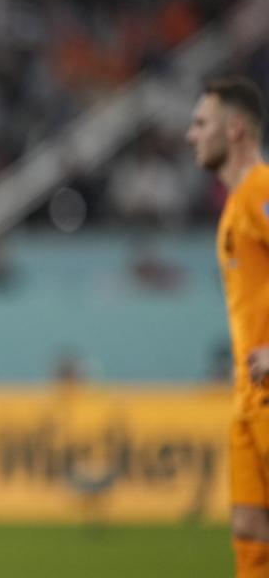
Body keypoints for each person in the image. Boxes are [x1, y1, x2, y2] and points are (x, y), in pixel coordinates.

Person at [187, 76, 269, 578]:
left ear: (235, 129)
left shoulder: (260, 189)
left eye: (201, 123)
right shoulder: (236, 204)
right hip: (249, 398)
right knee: (250, 528)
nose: (190, 135)